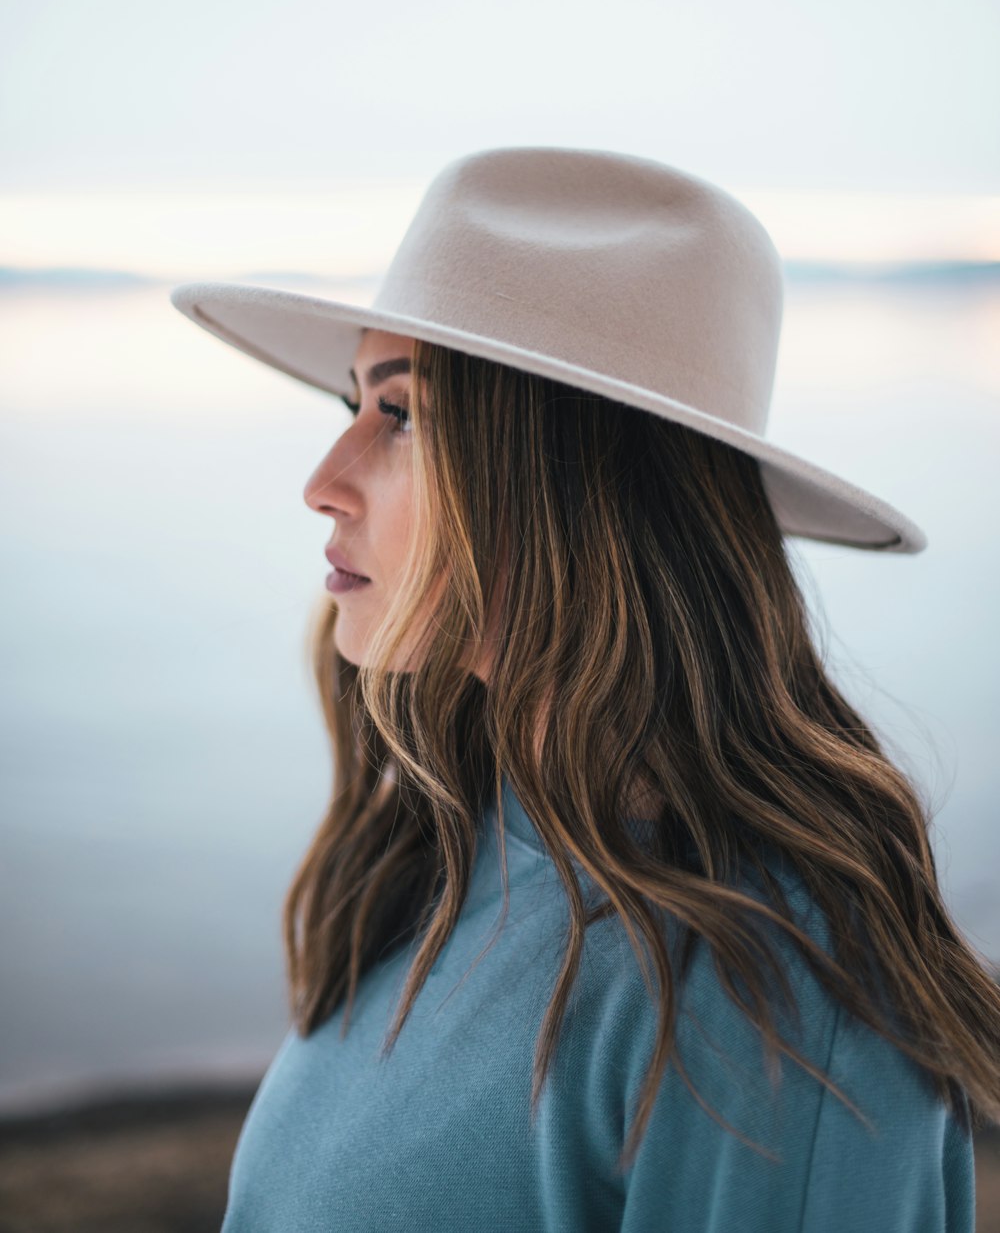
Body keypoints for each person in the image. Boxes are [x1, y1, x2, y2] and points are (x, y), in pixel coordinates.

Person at [171, 146, 998, 1231]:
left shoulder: (763, 1001)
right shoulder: (444, 850)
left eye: (402, 414)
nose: (323, 481)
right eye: (352, 404)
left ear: (571, 480)